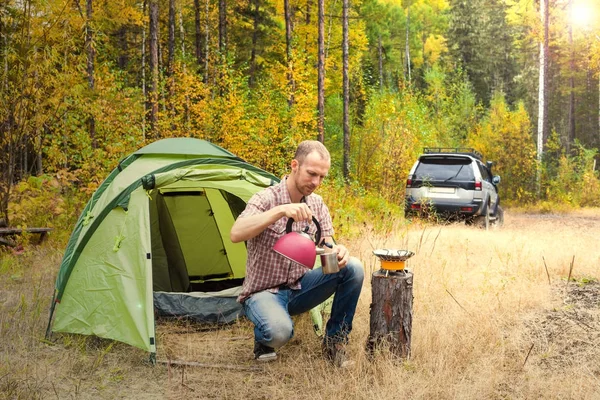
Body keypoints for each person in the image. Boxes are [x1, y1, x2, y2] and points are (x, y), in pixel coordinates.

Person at [230, 140, 364, 367]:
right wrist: (280, 211)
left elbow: (328, 245)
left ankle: (335, 343)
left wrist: (338, 250)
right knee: (279, 333)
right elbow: (236, 233)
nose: (316, 182)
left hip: (300, 287)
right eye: (311, 174)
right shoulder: (265, 199)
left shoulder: (317, 204)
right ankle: (265, 339)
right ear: (295, 165)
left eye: (322, 177)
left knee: (354, 268)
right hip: (263, 293)